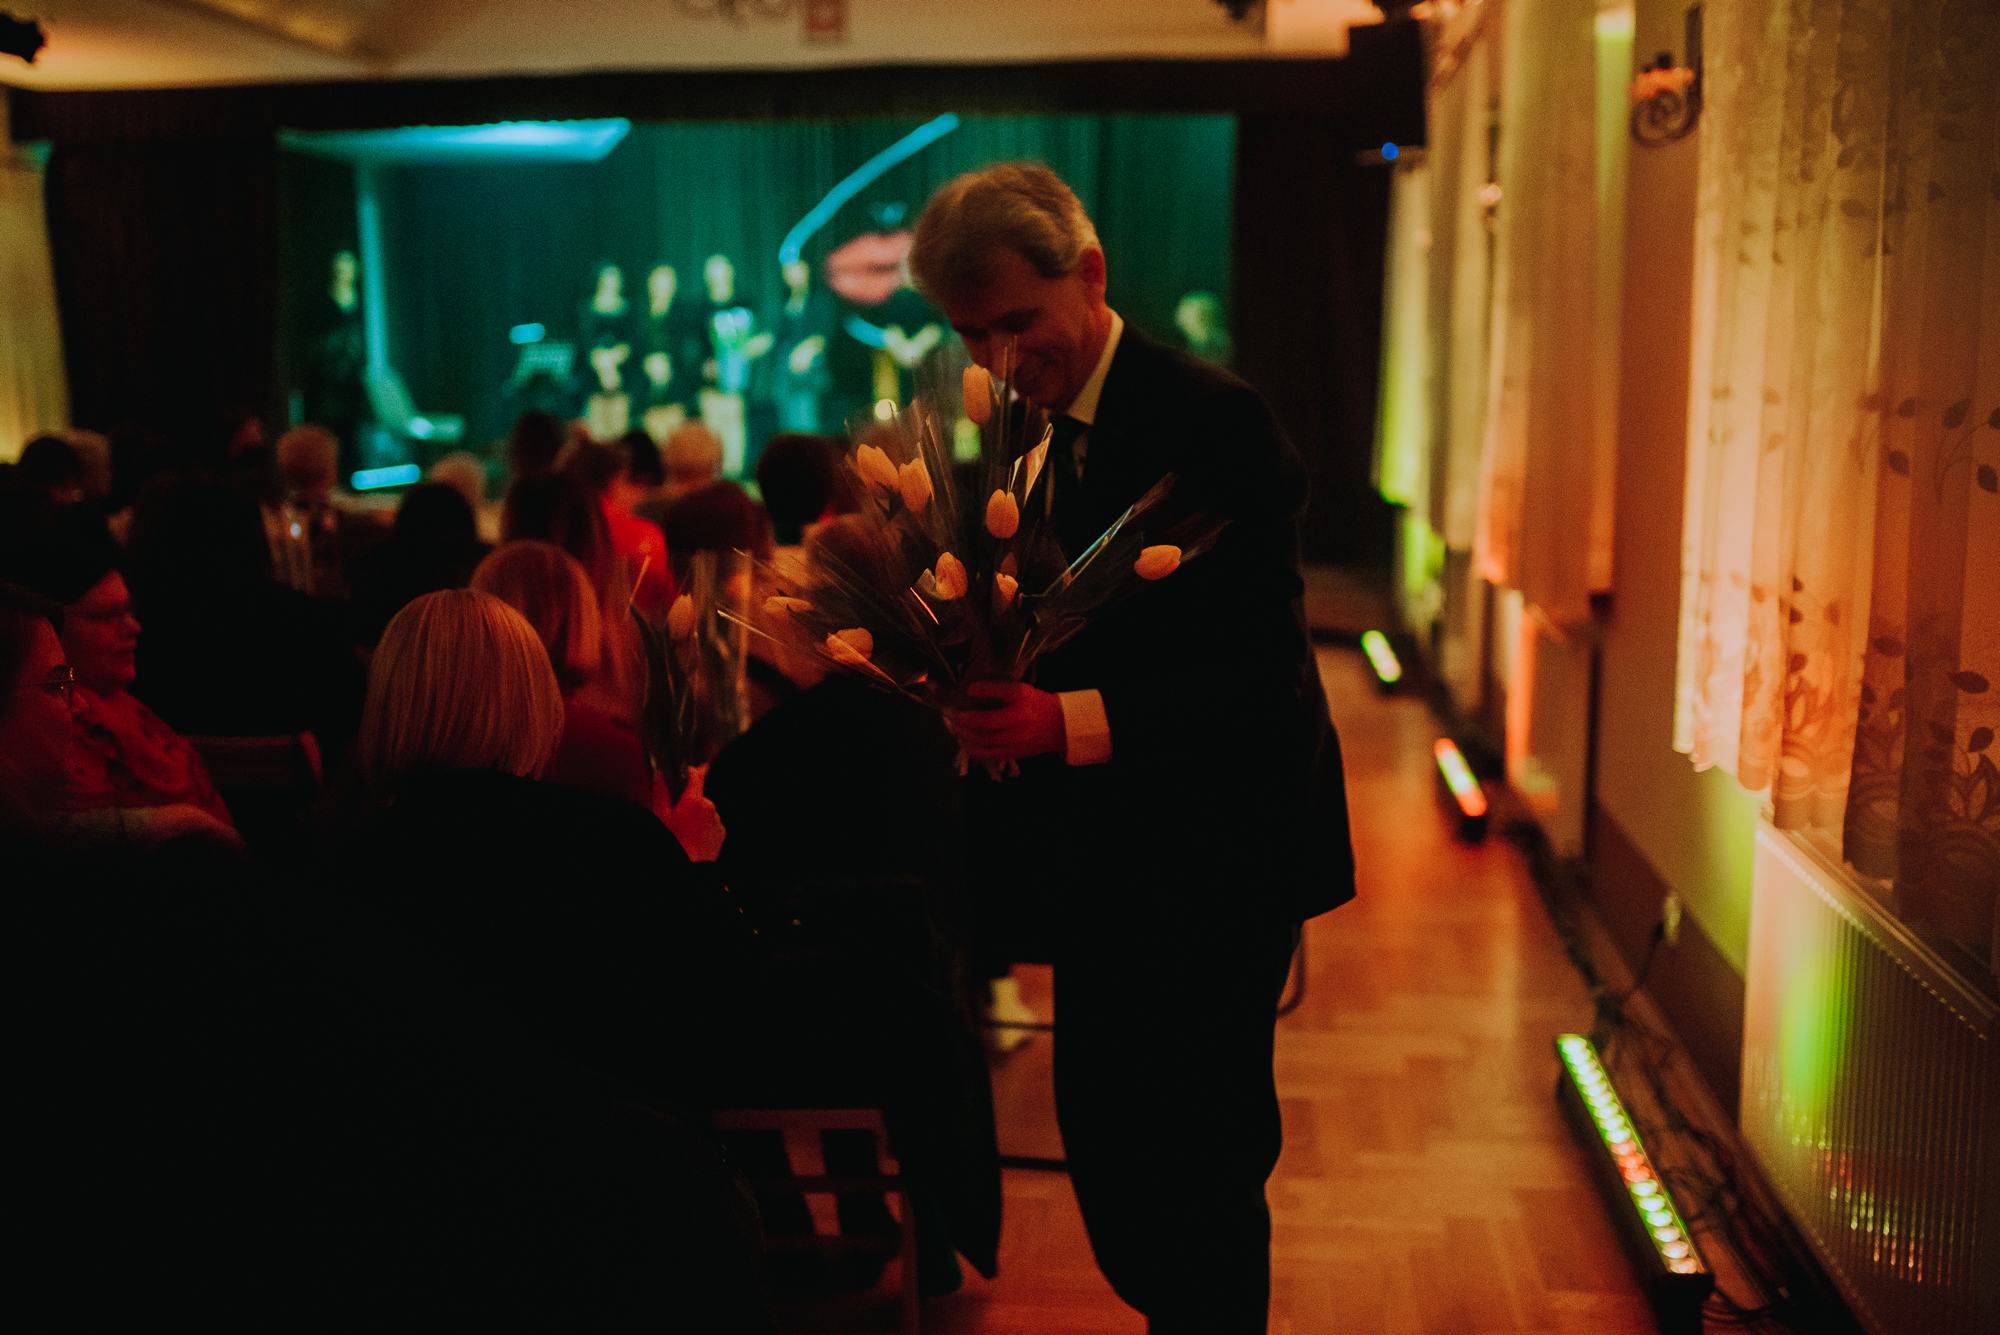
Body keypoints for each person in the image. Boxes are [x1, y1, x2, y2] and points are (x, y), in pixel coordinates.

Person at [909, 162, 1357, 1333]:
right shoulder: (1012, 427)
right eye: (972, 335)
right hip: (1105, 864)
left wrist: (1058, 722)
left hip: (1217, 856)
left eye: (1020, 321)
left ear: (1092, 273)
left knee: (1198, 1168)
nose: (1000, 358)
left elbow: (1262, 690)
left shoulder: (1211, 420)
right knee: (1110, 1149)